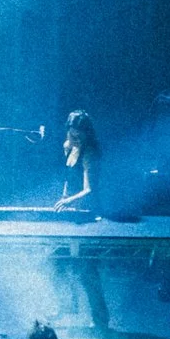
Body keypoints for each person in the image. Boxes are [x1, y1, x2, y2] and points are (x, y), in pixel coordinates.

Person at [51, 109, 109, 327]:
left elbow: (90, 189)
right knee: (57, 261)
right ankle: (66, 305)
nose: (74, 138)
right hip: (72, 215)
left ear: (86, 134)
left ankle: (101, 320)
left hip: (88, 215)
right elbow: (69, 180)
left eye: (78, 136)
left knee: (87, 270)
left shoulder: (90, 152)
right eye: (71, 134)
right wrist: (64, 197)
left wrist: (69, 201)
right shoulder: (69, 147)